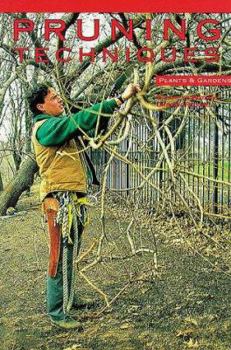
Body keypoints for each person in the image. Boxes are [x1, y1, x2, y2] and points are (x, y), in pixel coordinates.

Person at [28, 82, 140, 329]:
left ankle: (69, 298)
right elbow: (76, 122)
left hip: (72, 199)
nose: (59, 100)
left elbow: (88, 126)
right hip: (59, 201)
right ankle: (57, 312)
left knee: (71, 252)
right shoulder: (45, 127)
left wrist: (110, 113)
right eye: (54, 98)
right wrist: (118, 100)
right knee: (59, 256)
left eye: (59, 96)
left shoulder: (57, 127)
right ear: (41, 106)